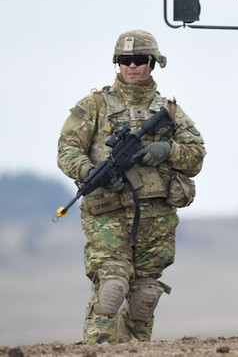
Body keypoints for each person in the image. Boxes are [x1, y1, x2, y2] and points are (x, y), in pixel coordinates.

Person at [57, 30, 206, 344]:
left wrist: (167, 151)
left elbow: (196, 156)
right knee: (112, 286)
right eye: (125, 60)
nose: (132, 66)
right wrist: (91, 170)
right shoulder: (94, 105)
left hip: (157, 216)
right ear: (117, 64)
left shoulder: (170, 111)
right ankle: (96, 349)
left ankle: (133, 349)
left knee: (145, 296)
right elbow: (67, 149)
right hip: (108, 213)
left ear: (153, 63)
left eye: (140, 60)